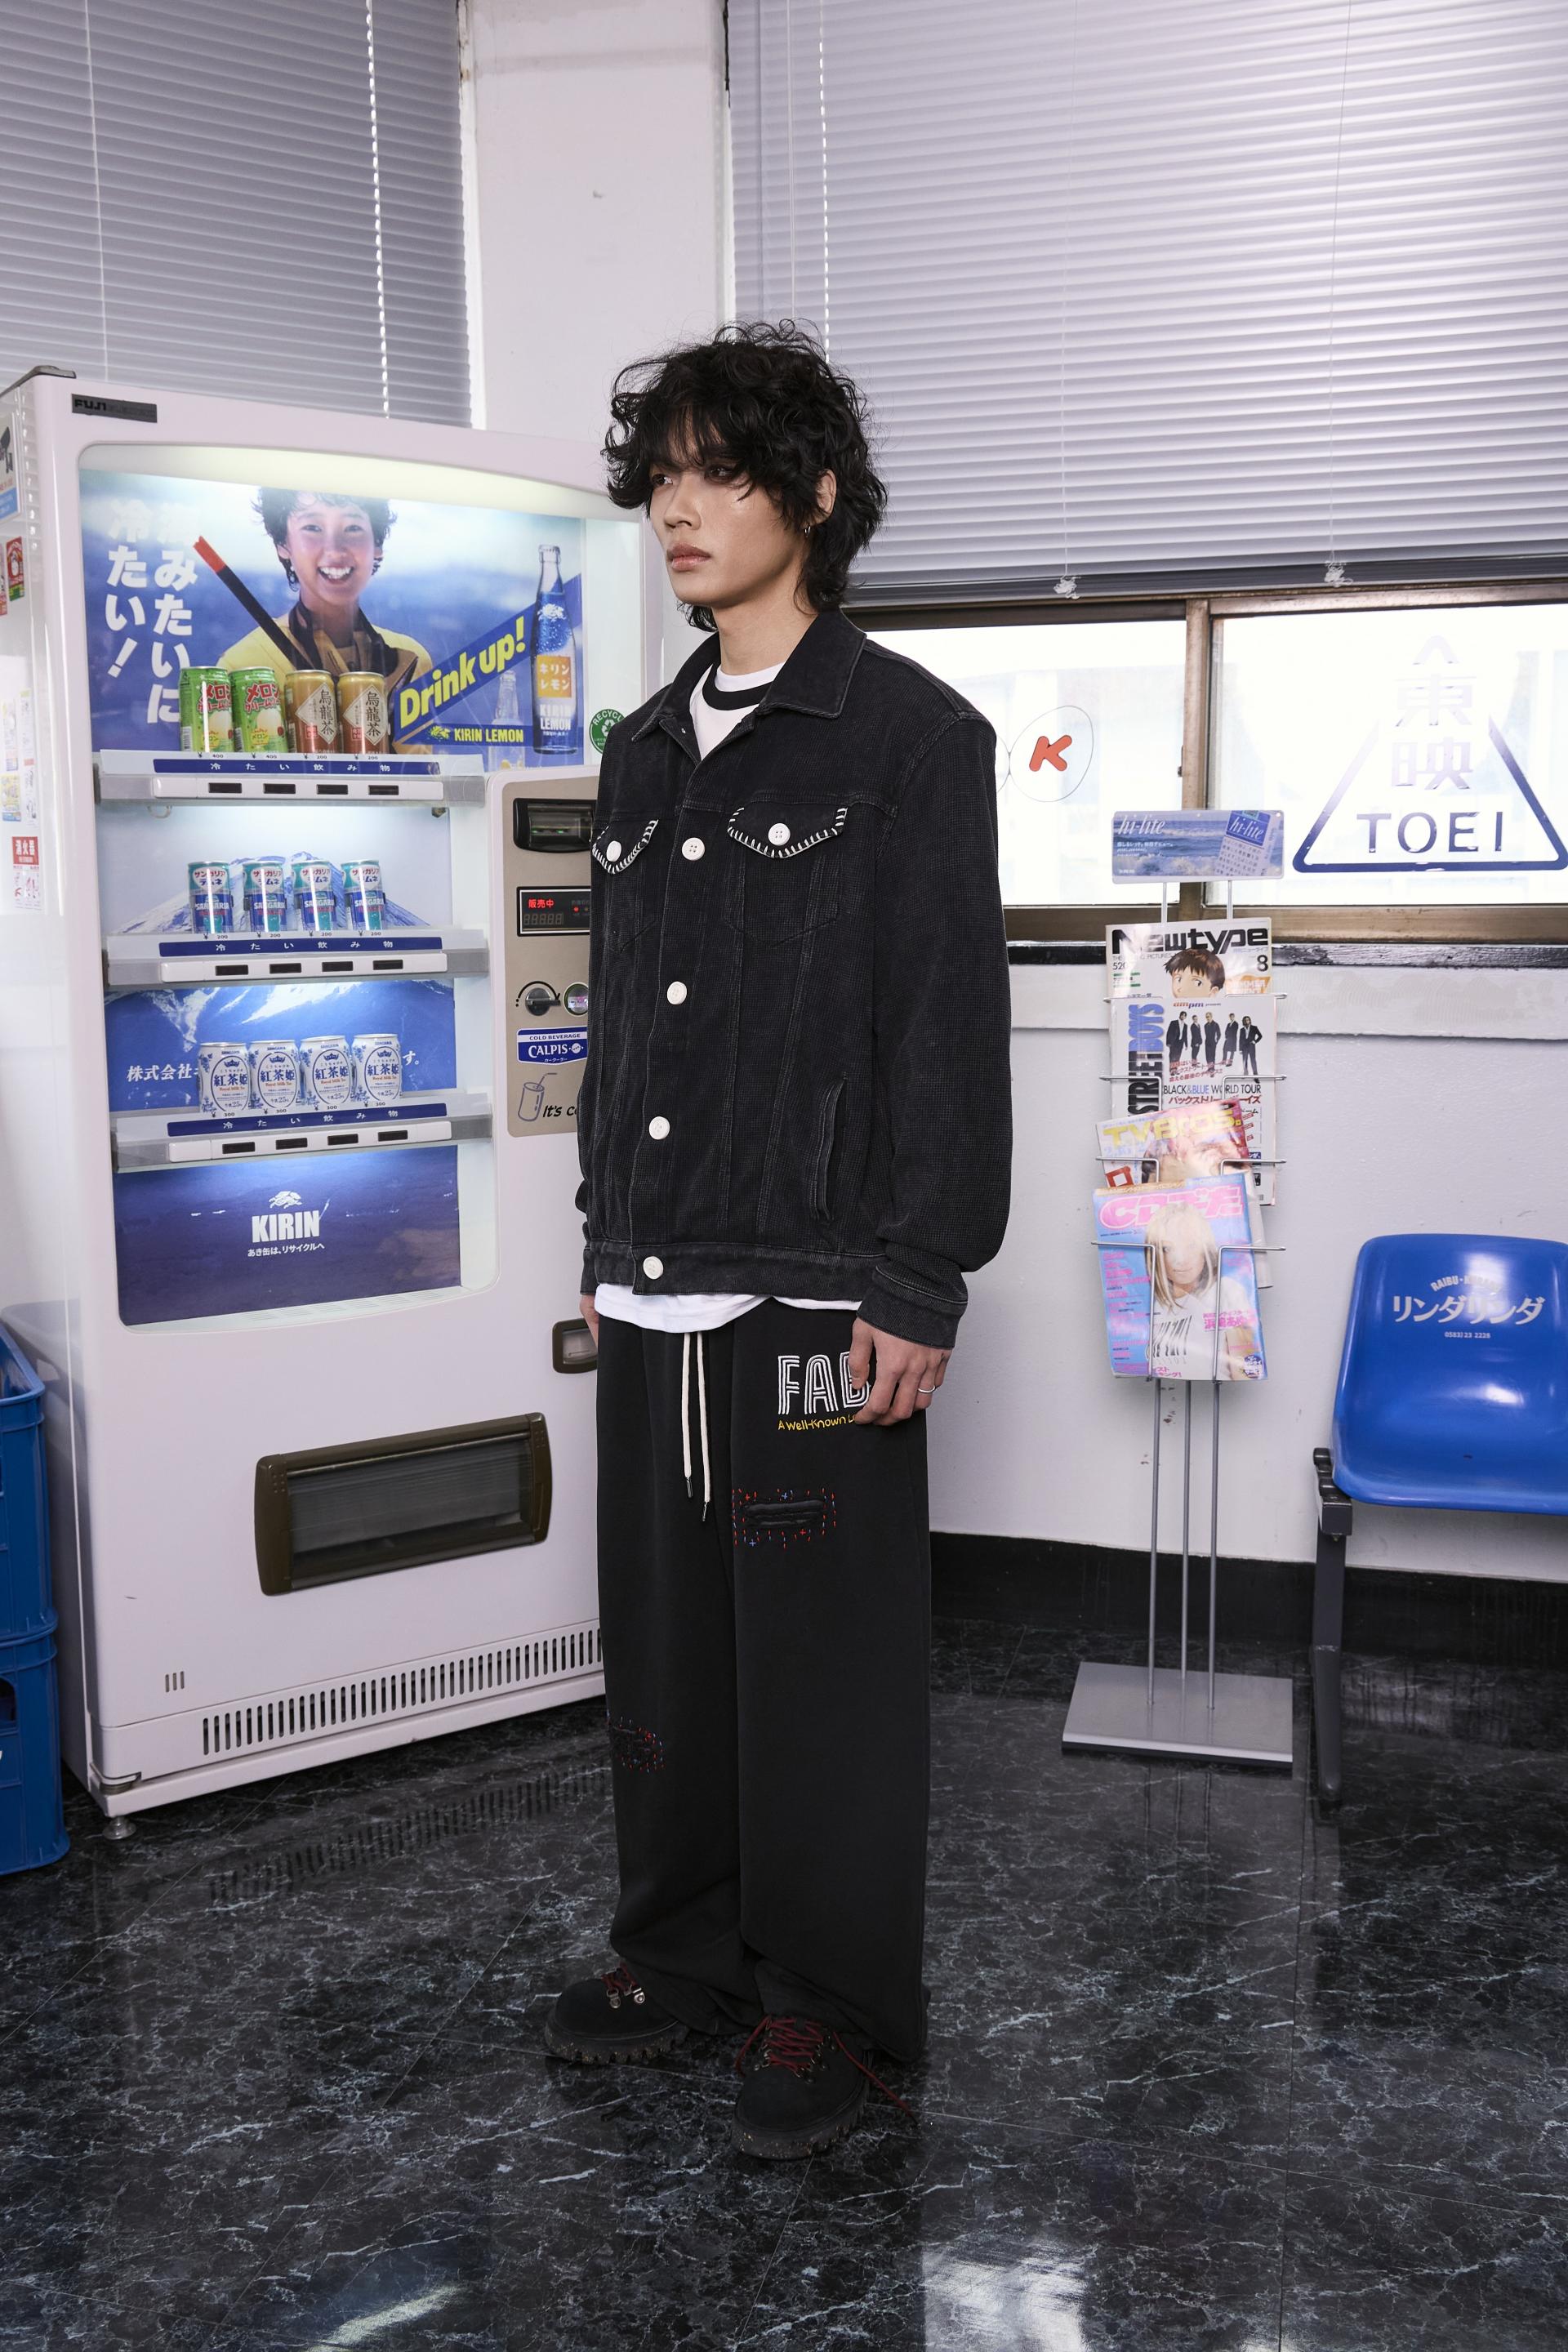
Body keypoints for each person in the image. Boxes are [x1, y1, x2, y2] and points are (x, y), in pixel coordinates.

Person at [544, 322, 1013, 2161]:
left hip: (820, 1288)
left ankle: (838, 2014)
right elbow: (622, 1024)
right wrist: (605, 1236)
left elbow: (943, 1030)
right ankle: (683, 1955)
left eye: (721, 471)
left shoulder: (912, 737)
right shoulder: (646, 745)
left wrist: (919, 1274)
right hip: (657, 1275)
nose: (681, 508)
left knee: (821, 1671)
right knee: (668, 1657)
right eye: (662, 476)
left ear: (813, 497)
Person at [218, 489, 433, 699]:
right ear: (283, 544)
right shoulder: (243, 665)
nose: (335, 550)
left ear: (376, 545)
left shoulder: (413, 661)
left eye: (353, 528)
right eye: (313, 528)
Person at [1145, 1199, 1261, 1379]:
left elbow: (1245, 1370)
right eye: (1167, 1248)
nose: (1180, 1259)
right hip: (1167, 1389)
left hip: (1217, 1391)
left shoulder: (1227, 1291)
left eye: (1191, 1245)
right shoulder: (1158, 1306)